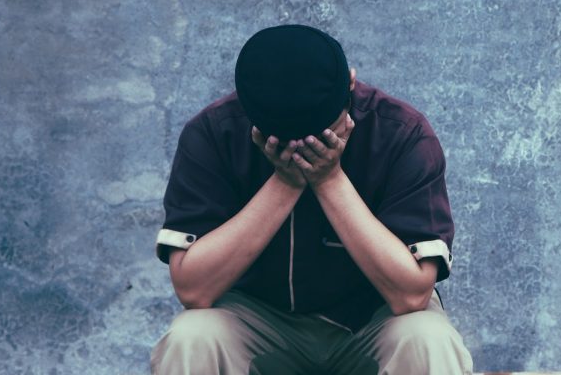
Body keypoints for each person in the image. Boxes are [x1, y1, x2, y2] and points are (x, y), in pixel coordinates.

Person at [150, 24, 473, 374]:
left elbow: (411, 295)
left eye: (321, 131)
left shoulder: (402, 134)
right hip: (256, 323)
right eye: (288, 140)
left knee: (427, 337)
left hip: (370, 323)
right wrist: (285, 183)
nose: (306, 148)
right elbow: (194, 290)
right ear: (248, 109)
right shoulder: (213, 133)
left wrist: (329, 179)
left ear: (350, 83)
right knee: (190, 337)